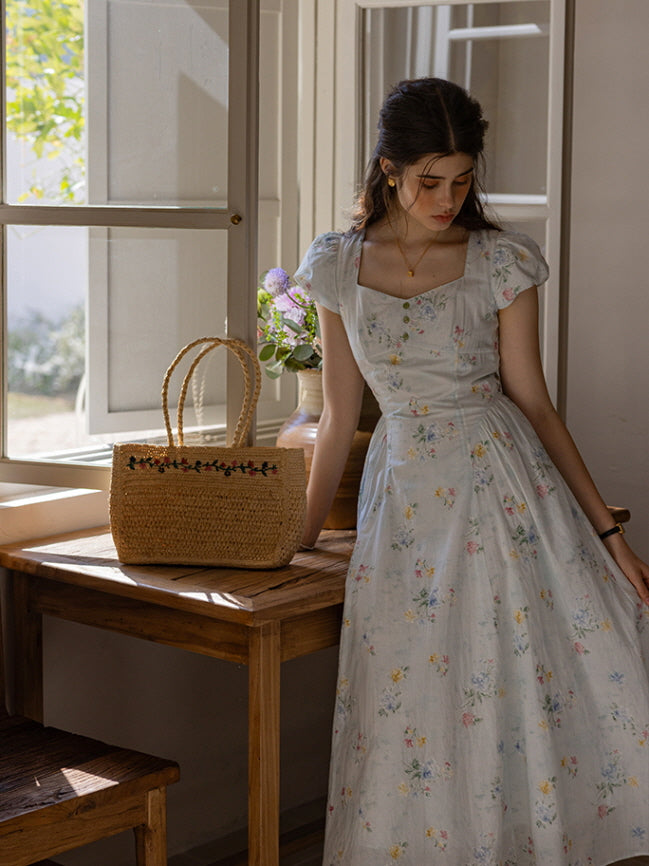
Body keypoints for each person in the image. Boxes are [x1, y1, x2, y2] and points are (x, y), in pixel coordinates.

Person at [294, 78, 649, 866]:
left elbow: (536, 404)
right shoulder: (336, 266)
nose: (447, 197)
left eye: (461, 180)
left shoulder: (498, 260)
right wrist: (303, 532)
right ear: (388, 168)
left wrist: (608, 538)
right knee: (413, 691)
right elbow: (338, 412)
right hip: (403, 501)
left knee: (515, 675)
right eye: (429, 181)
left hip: (502, 486)